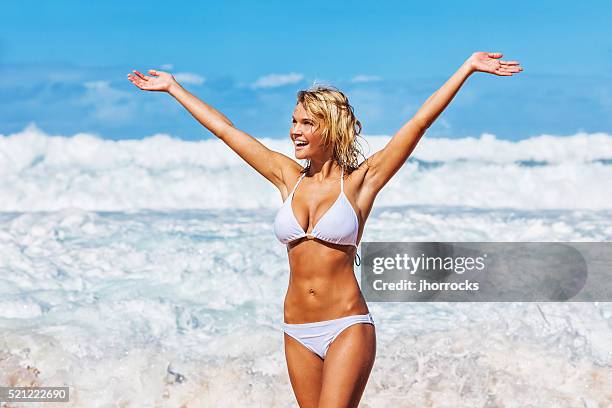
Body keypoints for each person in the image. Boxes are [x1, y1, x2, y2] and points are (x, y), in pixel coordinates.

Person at [127, 51, 522, 407]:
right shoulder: (286, 177)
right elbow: (228, 131)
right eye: (293, 122)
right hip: (296, 328)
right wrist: (174, 89)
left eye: (306, 123)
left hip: (347, 325)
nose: (295, 131)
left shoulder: (360, 182)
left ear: (330, 129)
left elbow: (418, 124)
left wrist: (467, 68)